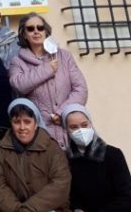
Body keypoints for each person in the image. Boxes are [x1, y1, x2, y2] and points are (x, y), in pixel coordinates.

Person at [8, 13, 88, 149]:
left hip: (68, 126)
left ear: (46, 31)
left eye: (40, 27)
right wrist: (47, 69)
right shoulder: (17, 61)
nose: (36, 32)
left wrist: (62, 112)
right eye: (30, 29)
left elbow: (80, 89)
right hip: (41, 130)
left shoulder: (64, 56)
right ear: (24, 34)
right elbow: (19, 85)